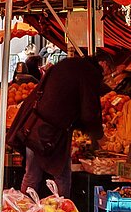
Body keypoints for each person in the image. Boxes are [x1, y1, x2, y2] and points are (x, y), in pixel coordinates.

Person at [10, 49, 116, 199]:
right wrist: (98, 136)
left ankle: (23, 208)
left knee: (32, 173)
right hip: (53, 131)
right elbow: (89, 111)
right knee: (62, 175)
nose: (106, 75)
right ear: (103, 64)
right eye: (109, 71)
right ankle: (63, 210)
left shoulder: (69, 63)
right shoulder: (90, 73)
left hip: (34, 124)